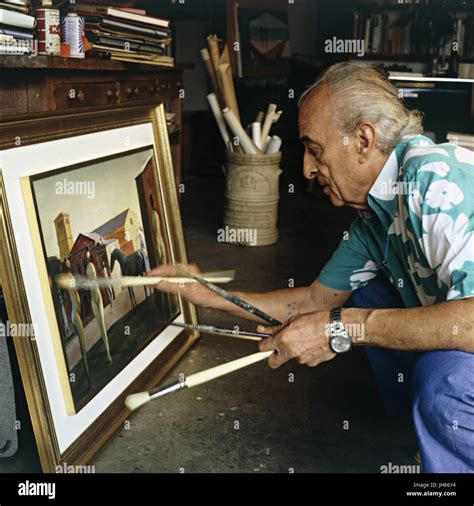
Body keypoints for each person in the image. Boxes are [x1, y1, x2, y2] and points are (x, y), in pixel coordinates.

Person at [149, 62, 474, 473]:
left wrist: (340, 326)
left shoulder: (433, 178)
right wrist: (202, 293)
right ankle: (425, 437)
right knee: (369, 294)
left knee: (446, 384)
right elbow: (313, 302)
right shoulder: (377, 217)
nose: (306, 169)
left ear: (363, 139)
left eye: (314, 149)